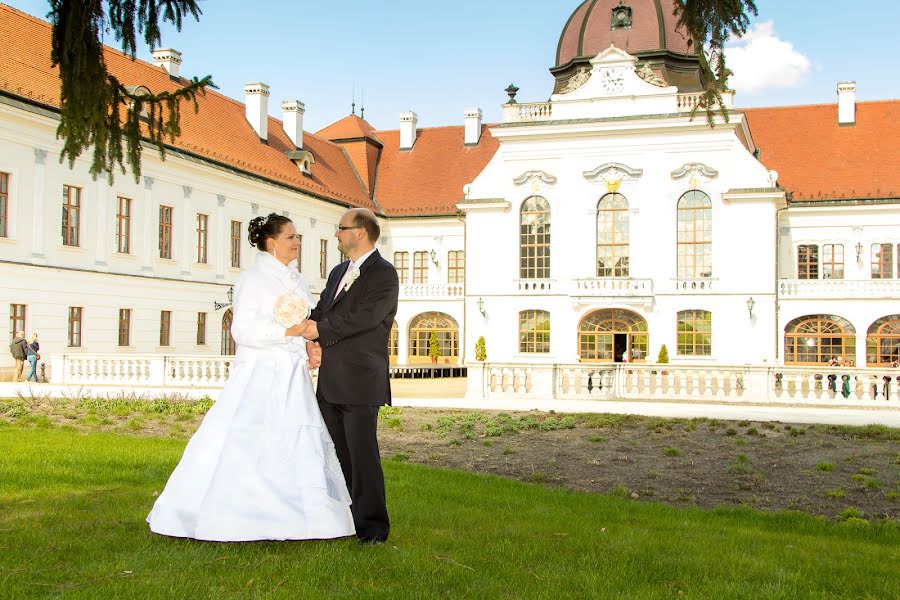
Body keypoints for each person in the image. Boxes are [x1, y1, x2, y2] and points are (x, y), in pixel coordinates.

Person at [147, 213, 354, 542]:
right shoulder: (252, 280)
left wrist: (307, 346)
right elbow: (242, 330)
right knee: (250, 435)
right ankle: (242, 512)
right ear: (272, 243)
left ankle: (306, 517)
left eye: (297, 236)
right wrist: (288, 331)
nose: (297, 242)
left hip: (292, 374)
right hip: (260, 371)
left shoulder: (298, 281)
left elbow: (305, 324)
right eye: (291, 237)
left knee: (297, 435)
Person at [301, 208, 399, 545]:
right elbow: (323, 311)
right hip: (330, 382)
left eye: (341, 229)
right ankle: (345, 519)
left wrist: (320, 329)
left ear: (359, 232)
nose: (337, 234)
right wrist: (298, 327)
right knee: (336, 454)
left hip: (359, 381)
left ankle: (373, 528)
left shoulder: (384, 275)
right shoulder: (338, 271)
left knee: (362, 456)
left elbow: (365, 318)